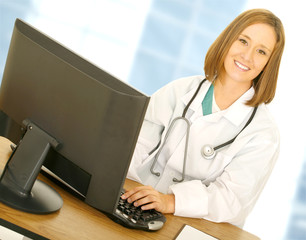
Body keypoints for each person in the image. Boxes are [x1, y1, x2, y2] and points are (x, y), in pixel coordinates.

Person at [122, 8, 285, 227]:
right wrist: (128, 190)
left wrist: (171, 201)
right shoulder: (181, 91)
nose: (247, 56)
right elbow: (134, 145)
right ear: (228, 40)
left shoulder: (263, 133)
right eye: (243, 41)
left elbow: (230, 199)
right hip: (137, 206)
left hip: (198, 226)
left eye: (261, 51)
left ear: (269, 64)